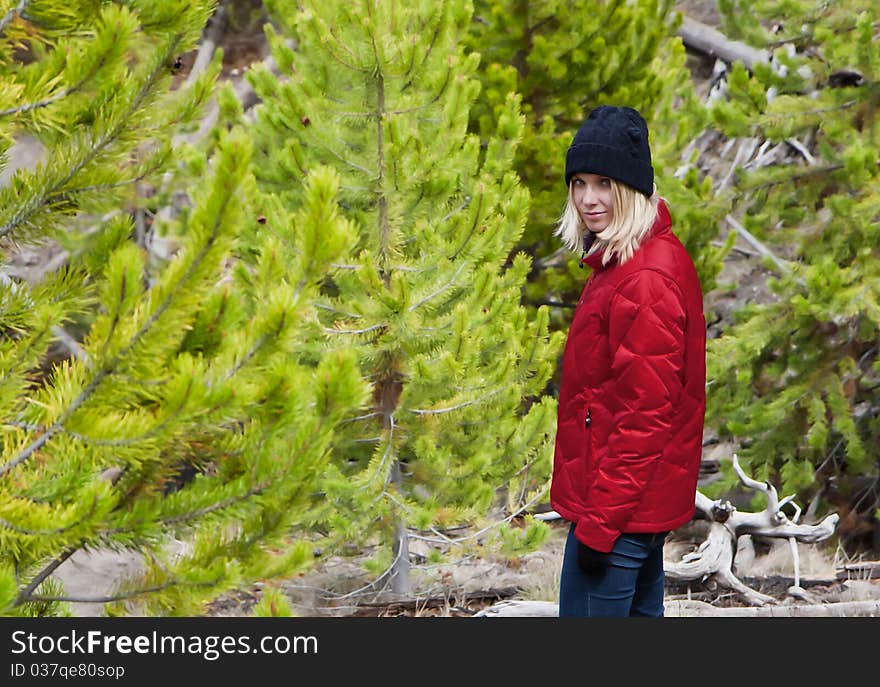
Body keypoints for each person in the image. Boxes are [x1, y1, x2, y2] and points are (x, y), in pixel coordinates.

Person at [549, 105, 706, 617]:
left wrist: (598, 527)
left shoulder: (644, 278)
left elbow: (644, 418)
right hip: (628, 506)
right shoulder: (626, 258)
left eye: (604, 182)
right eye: (579, 182)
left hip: (618, 513)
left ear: (632, 187)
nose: (588, 198)